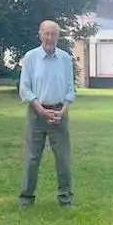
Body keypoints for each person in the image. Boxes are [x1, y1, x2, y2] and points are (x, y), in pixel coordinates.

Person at [18, 19, 76, 208]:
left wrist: (63, 111)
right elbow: (25, 88)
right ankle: (26, 199)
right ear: (40, 35)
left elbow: (70, 89)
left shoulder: (65, 59)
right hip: (37, 113)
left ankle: (65, 199)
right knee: (32, 158)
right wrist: (41, 110)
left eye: (54, 34)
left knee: (63, 159)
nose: (50, 38)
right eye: (47, 33)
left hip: (59, 113)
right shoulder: (31, 57)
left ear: (58, 37)